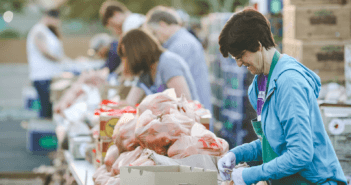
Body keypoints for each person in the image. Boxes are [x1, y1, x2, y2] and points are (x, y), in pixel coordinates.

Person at [217, 8, 347, 185]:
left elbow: (300, 154)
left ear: (258, 45)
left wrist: (250, 175)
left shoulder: (289, 83)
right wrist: (237, 154)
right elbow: (273, 143)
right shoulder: (259, 85)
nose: (239, 63)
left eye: (241, 56)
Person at [145, 7, 213, 126]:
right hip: (197, 111)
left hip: (194, 115)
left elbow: (175, 90)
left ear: (162, 25)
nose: (155, 38)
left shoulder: (179, 46)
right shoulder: (183, 41)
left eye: (155, 33)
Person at [116, 29, 199, 105]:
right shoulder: (146, 71)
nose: (125, 61)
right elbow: (129, 103)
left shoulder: (168, 63)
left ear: (137, 53)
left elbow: (185, 103)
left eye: (126, 55)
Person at [27, 9, 64, 119]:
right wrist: (60, 60)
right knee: (46, 110)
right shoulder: (39, 31)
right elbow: (44, 51)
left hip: (49, 76)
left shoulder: (47, 31)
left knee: (48, 109)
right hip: (43, 77)